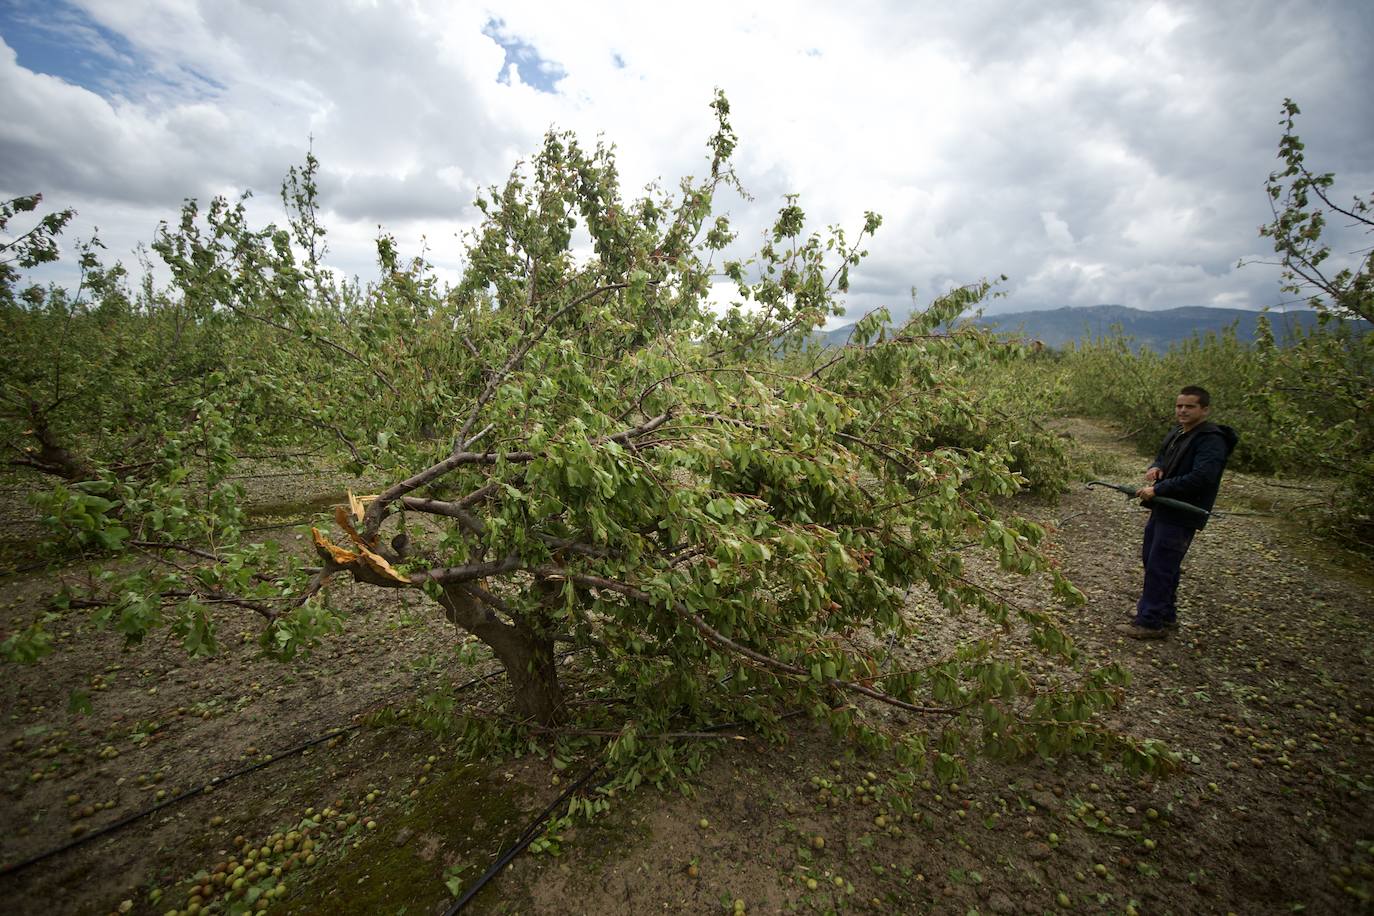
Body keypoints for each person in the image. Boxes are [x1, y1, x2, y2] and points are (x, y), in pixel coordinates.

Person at [1117, 386, 1238, 640]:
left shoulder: (1211, 440)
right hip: (1164, 508)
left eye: (1190, 406)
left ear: (1205, 409)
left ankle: (1149, 623)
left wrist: (1159, 489)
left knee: (1161, 564)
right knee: (1153, 561)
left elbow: (1202, 478)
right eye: (1179, 406)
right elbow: (1162, 456)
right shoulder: (1178, 433)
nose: (1182, 410)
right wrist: (1156, 468)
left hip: (1182, 514)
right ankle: (1164, 614)